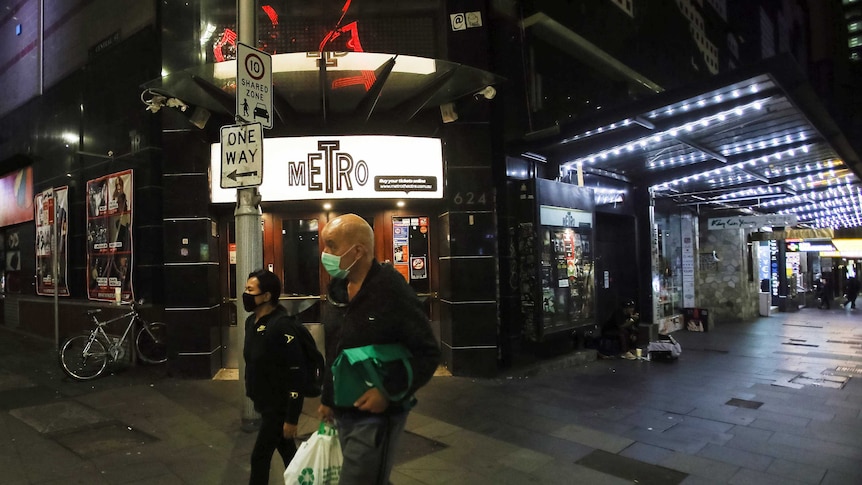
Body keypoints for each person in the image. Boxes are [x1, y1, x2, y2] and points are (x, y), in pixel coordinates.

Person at [317, 214, 440, 485]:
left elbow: (428, 352)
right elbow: (335, 350)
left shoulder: (392, 290)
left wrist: (386, 391)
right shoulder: (338, 289)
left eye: (332, 246)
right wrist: (328, 397)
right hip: (342, 411)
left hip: (377, 417)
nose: (325, 254)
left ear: (357, 250)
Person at [242, 269, 306, 485]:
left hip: (278, 406)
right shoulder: (251, 322)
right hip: (262, 401)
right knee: (290, 455)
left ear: (267, 295)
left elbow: (296, 371)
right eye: (245, 289)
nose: (246, 294)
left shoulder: (282, 325)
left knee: (259, 457)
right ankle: (306, 481)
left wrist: (292, 418)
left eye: (251, 290)